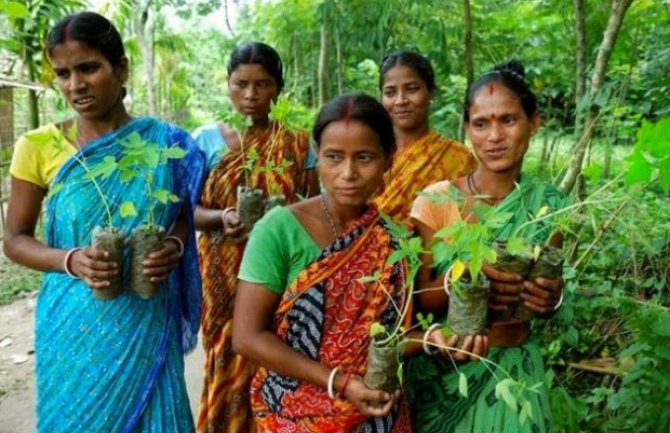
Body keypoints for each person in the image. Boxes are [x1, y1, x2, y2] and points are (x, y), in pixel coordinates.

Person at [2, 12, 204, 433]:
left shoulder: (164, 144)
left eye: (88, 67)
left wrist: (173, 246)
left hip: (147, 315)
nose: (75, 84)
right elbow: (15, 239)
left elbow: (182, 217)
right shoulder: (37, 147)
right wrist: (71, 259)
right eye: (63, 73)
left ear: (121, 67)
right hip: (73, 322)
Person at [232, 93, 418, 432]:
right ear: (317, 155)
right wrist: (340, 382)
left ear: (389, 158)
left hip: (377, 412)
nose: (348, 173)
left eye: (364, 157)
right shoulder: (278, 230)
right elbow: (247, 336)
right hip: (292, 414)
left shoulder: (395, 239)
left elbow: (394, 335)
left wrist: (439, 338)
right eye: (334, 157)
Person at [406, 61, 568, 432]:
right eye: (481, 123)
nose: (494, 136)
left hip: (517, 376)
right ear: (467, 129)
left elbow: (545, 298)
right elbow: (416, 299)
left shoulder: (552, 205)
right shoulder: (436, 201)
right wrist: (458, 279)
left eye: (508, 120)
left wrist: (551, 298)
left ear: (534, 122)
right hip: (447, 374)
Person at [194, 42, 318, 433]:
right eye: (240, 84)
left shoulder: (298, 143)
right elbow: (189, 211)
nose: (250, 95)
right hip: (222, 274)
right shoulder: (206, 141)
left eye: (262, 84)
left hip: (280, 271)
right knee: (228, 349)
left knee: (277, 349)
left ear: (277, 88)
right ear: (228, 85)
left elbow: (313, 205)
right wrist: (222, 216)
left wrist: (280, 217)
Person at [374, 51, 476, 220]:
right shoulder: (367, 154)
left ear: (431, 93)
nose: (400, 100)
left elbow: (467, 224)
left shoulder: (458, 159)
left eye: (412, 89)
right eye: (390, 93)